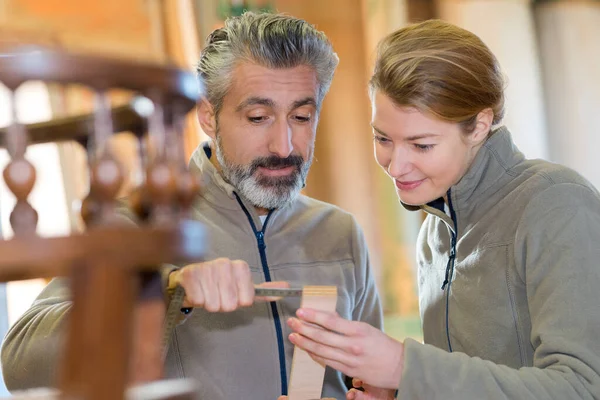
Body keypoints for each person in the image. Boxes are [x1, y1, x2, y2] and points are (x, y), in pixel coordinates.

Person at [1, 12, 383, 400]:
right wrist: (164, 293)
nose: (284, 145)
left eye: (302, 117)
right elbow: (21, 366)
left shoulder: (341, 232)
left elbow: (369, 377)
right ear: (208, 116)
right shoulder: (138, 228)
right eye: (258, 117)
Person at [286, 19, 600, 400]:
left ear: (480, 126)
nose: (396, 165)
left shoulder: (556, 204)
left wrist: (405, 367)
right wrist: (402, 392)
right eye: (383, 138)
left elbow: (582, 388)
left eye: (421, 145)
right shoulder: (432, 235)